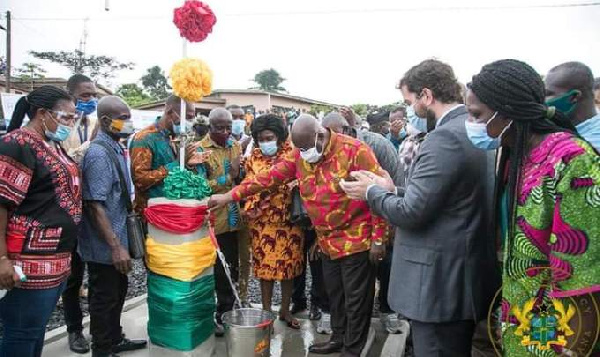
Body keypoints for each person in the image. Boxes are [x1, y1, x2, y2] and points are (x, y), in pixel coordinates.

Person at [340, 59, 500, 356]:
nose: (412, 109)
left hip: (438, 284)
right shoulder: (471, 129)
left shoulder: (444, 138)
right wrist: (393, 189)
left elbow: (412, 213)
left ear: (426, 96)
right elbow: (446, 198)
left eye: (410, 101)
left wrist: (371, 192)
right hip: (460, 276)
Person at [209, 114, 387, 356]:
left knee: (356, 300)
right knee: (334, 294)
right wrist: (228, 197)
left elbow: (380, 194)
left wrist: (379, 238)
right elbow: (266, 179)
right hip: (327, 241)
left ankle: (352, 350)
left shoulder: (355, 151)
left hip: (356, 238)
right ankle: (338, 337)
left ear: (320, 135)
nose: (302, 153)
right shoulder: (301, 155)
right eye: (298, 148)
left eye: (305, 147)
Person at [465, 59, 600, 356]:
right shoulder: (519, 154)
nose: (471, 124)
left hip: (560, 323)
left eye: (476, 115)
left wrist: (575, 343)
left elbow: (580, 270)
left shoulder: (572, 161)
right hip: (524, 311)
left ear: (507, 111)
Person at [0, 86, 82, 357]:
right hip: (27, 261)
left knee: (35, 332)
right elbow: (1, 203)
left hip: (54, 260)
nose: (71, 123)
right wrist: (2, 260)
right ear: (43, 113)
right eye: (66, 117)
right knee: (21, 334)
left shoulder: (52, 144)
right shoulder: (17, 144)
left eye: (74, 118)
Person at [323, 111, 403, 334]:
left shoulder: (378, 146)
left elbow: (393, 187)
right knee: (355, 279)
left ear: (347, 131)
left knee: (385, 262)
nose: (326, 142)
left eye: (331, 136)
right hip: (350, 224)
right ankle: (348, 323)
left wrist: (385, 234)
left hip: (381, 212)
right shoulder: (326, 150)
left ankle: (388, 310)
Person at [79, 96, 147, 357]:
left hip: (117, 236)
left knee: (118, 292)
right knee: (104, 297)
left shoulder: (116, 147)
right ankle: (102, 348)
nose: (129, 123)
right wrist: (116, 247)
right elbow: (94, 205)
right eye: (124, 118)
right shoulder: (98, 153)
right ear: (106, 121)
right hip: (105, 245)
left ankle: (114, 337)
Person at [243, 114, 304, 328]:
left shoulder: (294, 155)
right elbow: (249, 185)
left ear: (279, 136)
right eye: (261, 138)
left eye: (269, 137)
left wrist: (294, 184)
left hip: (289, 222)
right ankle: (266, 314)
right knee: (265, 272)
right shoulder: (253, 159)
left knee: (288, 269)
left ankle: (285, 311)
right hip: (262, 223)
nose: (265, 142)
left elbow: (304, 180)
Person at [61, 73, 98, 354]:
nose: (90, 100)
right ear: (70, 95)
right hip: (68, 212)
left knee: (98, 274)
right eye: (85, 96)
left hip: (94, 210)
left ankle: (102, 329)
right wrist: (90, 144)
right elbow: (66, 162)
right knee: (73, 277)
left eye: (93, 95)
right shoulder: (60, 127)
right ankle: (75, 330)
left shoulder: (95, 122)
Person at [198, 108, 243, 336]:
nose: (226, 132)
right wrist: (228, 177)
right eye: (220, 127)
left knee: (230, 268)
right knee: (214, 270)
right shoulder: (199, 150)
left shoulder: (235, 145)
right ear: (210, 127)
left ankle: (226, 312)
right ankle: (212, 315)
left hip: (234, 217)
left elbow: (241, 178)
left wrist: (239, 173)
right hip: (213, 218)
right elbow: (200, 186)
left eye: (229, 127)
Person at [130, 95, 199, 214]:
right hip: (151, 214)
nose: (190, 123)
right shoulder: (144, 138)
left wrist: (187, 164)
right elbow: (140, 180)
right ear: (170, 112)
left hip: (173, 211)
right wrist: (176, 164)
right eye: (188, 118)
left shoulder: (173, 137)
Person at [227, 105, 252, 307]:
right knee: (226, 254)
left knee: (245, 257)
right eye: (233, 117)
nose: (237, 121)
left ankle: (242, 297)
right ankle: (226, 297)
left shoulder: (251, 142)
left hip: (243, 208)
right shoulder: (204, 146)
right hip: (222, 210)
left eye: (240, 117)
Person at [545, 62, 599, 151]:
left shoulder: (594, 142)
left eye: (547, 94)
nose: (541, 100)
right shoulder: (562, 130)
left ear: (574, 97)